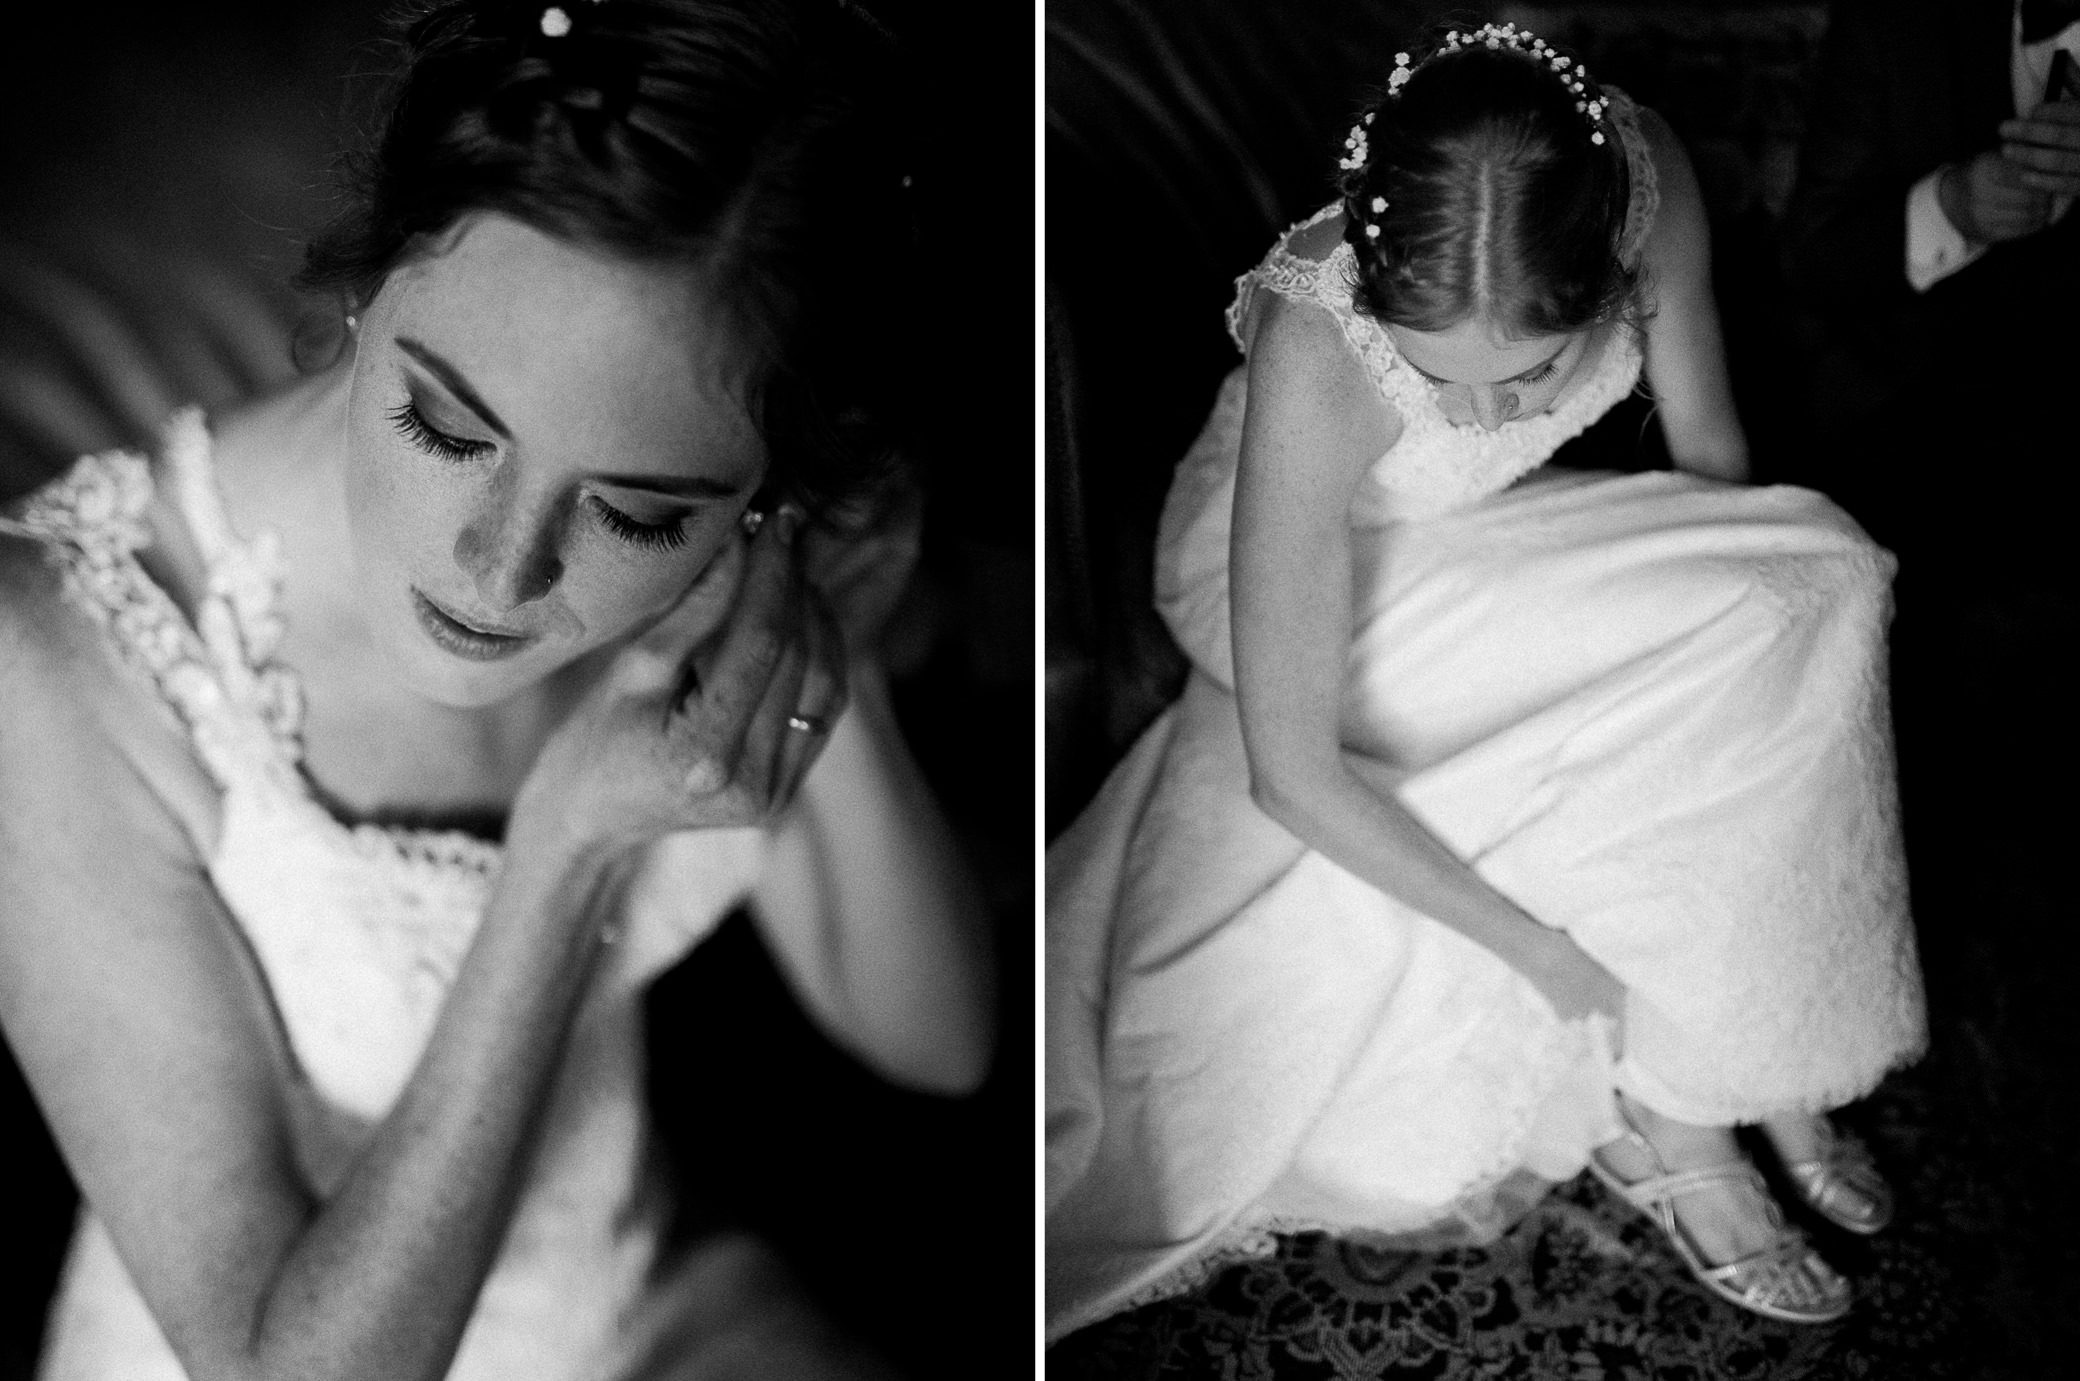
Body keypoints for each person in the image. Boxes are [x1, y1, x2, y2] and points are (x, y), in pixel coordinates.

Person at [0, 1, 994, 1377]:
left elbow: (939, 1043)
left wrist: (835, 646)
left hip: (628, 1301)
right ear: (379, 275)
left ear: (752, 503)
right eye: (442, 425)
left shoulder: (741, 575)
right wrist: (565, 851)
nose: (498, 569)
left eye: (638, 516)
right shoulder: (66, 651)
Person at [1046, 20, 1927, 1342]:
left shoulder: (1639, 182)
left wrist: (1729, 651)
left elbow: (1711, 462)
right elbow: (1292, 776)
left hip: (1488, 535)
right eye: (1436, 380)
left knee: (1821, 576)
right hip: (1292, 584)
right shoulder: (1318, 340)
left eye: (1516, 377)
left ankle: (1750, 1047)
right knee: (1768, 609)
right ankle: (1682, 1103)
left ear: (1599, 281)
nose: (1463, 419)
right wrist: (1544, 953)